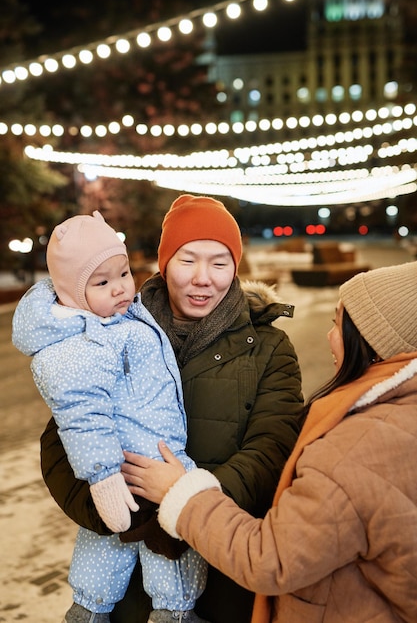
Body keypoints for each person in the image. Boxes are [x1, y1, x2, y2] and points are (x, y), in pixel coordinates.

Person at [36, 194, 305, 623]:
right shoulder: (106, 332)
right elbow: (63, 437)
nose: (203, 279)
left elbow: (271, 451)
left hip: (221, 567)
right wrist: (112, 513)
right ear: (164, 263)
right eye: (187, 261)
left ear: (236, 267)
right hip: (125, 583)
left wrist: (187, 500)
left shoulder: (269, 349)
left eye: (219, 263)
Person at [125, 260, 417, 623]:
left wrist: (180, 494)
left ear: (374, 341)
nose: (329, 337)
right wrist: (112, 512)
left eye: (338, 323)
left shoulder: (356, 447)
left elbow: (272, 556)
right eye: (187, 259)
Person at [12, 210, 209, 623]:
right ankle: (159, 612)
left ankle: (104, 608)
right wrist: (102, 475)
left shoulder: (113, 319)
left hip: (153, 459)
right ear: (70, 294)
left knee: (121, 544)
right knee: (162, 540)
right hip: (133, 468)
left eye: (123, 273)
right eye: (102, 283)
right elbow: (81, 413)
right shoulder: (82, 340)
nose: (120, 289)